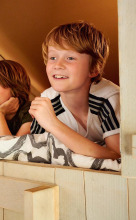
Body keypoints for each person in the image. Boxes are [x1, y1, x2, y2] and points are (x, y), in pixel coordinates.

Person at [29, 21, 120, 159]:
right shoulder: (47, 101)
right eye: (52, 57)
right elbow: (34, 152)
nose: (57, 65)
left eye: (70, 58)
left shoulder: (109, 97)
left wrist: (53, 124)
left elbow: (118, 156)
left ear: (94, 69)